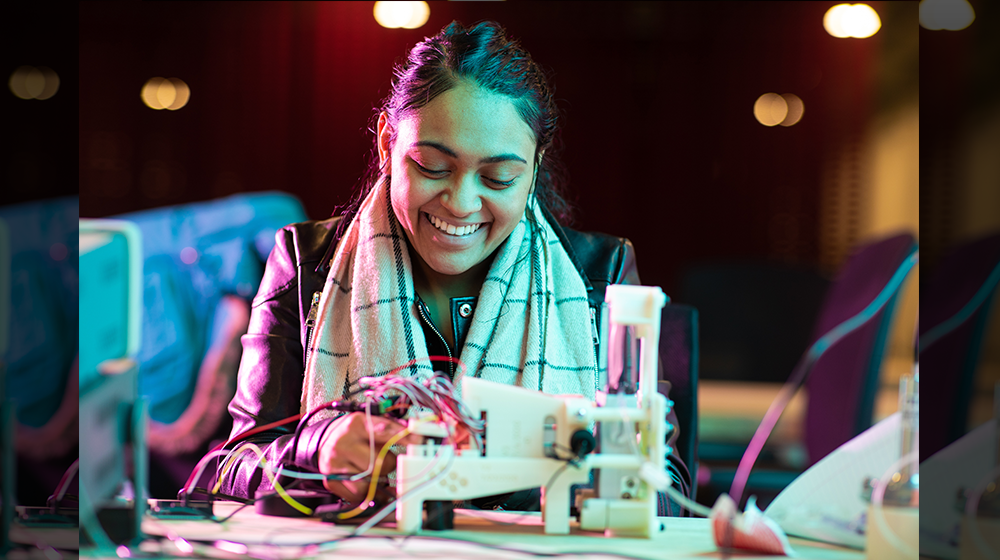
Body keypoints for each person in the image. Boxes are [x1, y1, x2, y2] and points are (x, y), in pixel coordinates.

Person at [219, 20, 672, 512]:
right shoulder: (308, 264)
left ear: (534, 167)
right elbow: (225, 474)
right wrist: (318, 449)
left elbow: (669, 490)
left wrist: (600, 473)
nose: (460, 202)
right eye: (433, 167)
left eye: (498, 178)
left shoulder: (601, 277)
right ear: (387, 144)